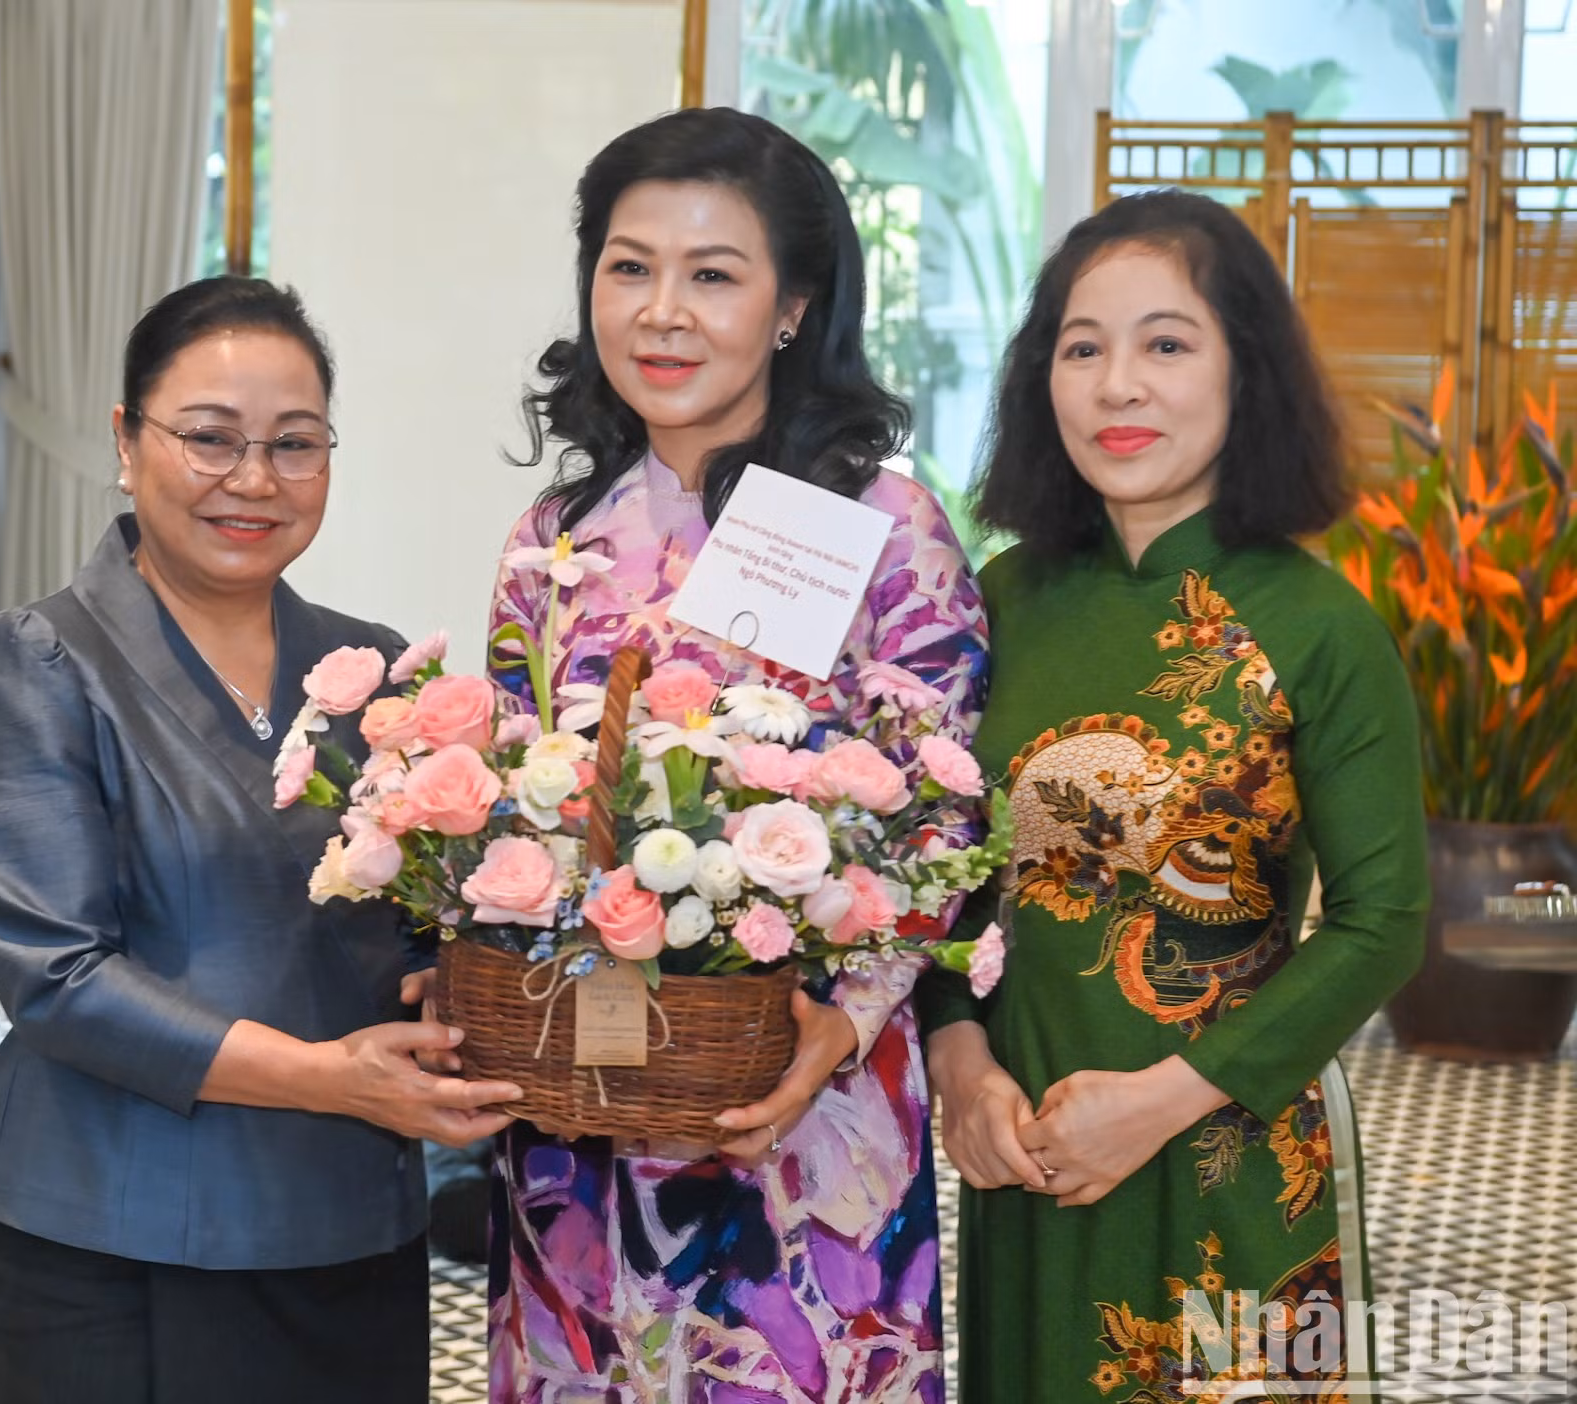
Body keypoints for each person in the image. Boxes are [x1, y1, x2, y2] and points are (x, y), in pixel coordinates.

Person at [0, 276, 520, 1404]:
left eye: (294, 444)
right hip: (114, 1232)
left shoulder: (371, 675)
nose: (254, 480)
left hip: (347, 1213)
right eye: (210, 439)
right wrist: (326, 1078)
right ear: (126, 439)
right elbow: (58, 977)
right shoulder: (37, 661)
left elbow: (424, 932)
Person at [484, 107, 988, 1402]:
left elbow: (942, 818)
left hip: (800, 1111)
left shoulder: (884, 527)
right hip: (582, 1118)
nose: (662, 311)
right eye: (628, 265)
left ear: (790, 309)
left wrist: (843, 1021)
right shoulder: (560, 533)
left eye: (712, 275)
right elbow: (506, 807)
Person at [914, 189, 1429, 1401]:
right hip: (1026, 1148)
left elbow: (1386, 919)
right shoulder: (1001, 601)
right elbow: (936, 874)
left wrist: (1159, 1102)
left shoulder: (1317, 623)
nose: (1117, 386)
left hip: (1230, 1147)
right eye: (1081, 348)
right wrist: (957, 1060)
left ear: (1244, 370)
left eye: (1166, 343)